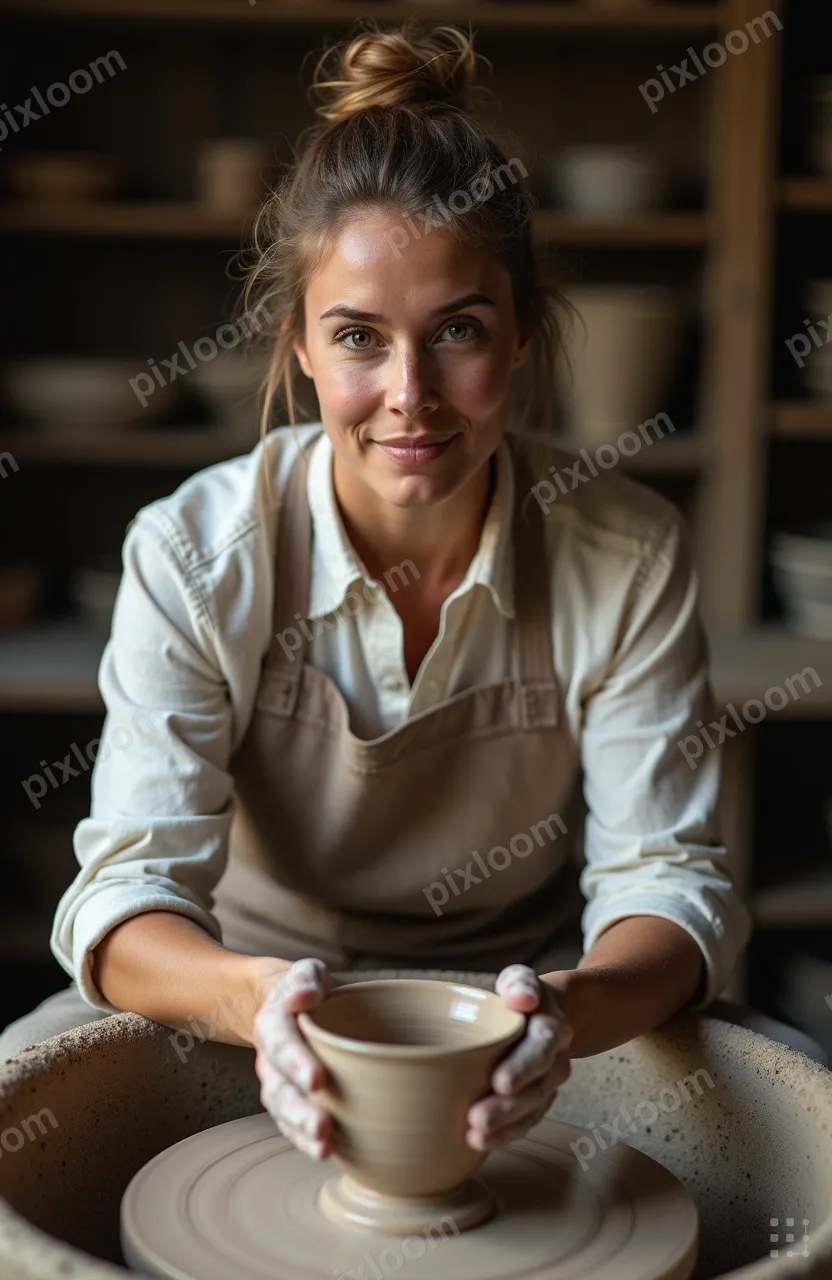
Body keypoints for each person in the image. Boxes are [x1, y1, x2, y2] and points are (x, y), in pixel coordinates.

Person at [0, 22, 750, 1161]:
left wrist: (566, 1014)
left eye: (457, 331)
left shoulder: (625, 548)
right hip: (248, 998)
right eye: (359, 337)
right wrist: (263, 1005)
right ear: (298, 343)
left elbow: (667, 880)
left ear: (524, 340)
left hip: (524, 1007)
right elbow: (126, 896)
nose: (409, 394)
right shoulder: (198, 549)